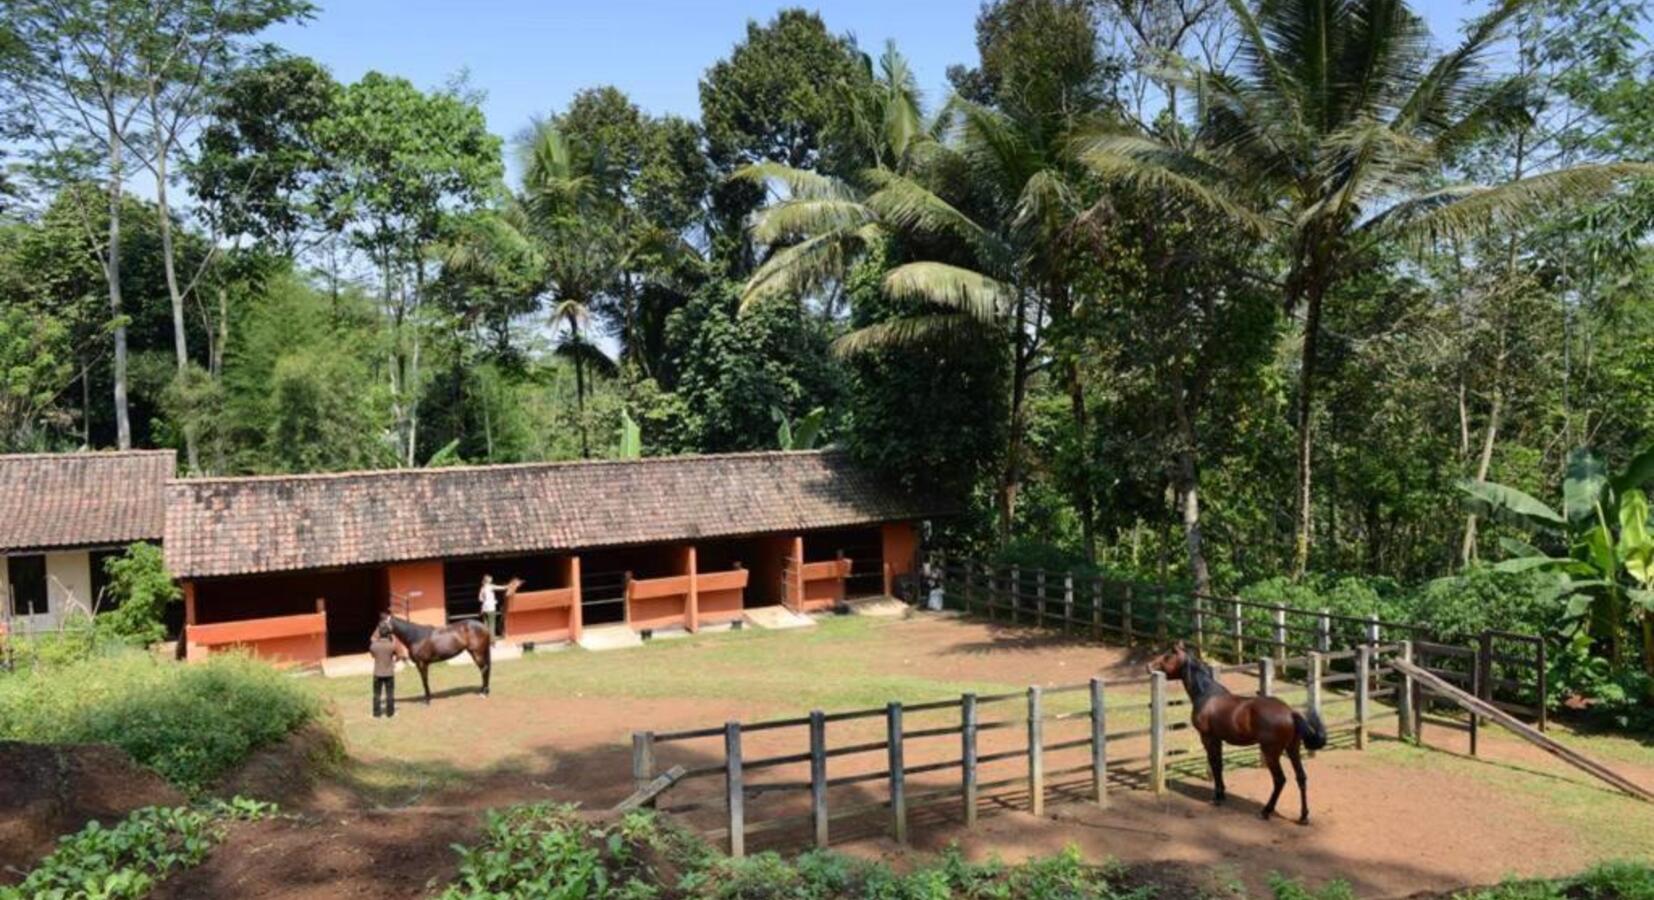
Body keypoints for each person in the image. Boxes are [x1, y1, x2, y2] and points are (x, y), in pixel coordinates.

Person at [369, 622, 398, 718]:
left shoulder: (374, 646)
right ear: (388, 633)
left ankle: (376, 713)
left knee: (377, 694)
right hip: (389, 673)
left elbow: (373, 654)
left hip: (377, 673)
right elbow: (397, 654)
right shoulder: (391, 645)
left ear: (380, 633)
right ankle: (390, 713)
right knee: (390, 694)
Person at [478, 574, 509, 640]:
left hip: (484, 608)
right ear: (488, 580)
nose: (491, 580)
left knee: (485, 624)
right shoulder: (490, 586)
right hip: (490, 607)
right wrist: (509, 585)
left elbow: (480, 599)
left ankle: (485, 639)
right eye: (490, 579)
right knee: (492, 624)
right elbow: (502, 588)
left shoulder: (482, 588)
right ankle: (492, 639)